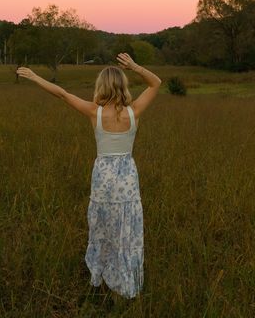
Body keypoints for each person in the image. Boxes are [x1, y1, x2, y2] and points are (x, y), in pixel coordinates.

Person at [16, 53, 162, 298]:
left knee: (103, 228)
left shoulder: (94, 112)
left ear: (101, 87)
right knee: (125, 229)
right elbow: (156, 82)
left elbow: (61, 93)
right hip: (127, 178)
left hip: (103, 178)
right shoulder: (134, 111)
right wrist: (135, 66)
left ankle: (104, 275)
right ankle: (124, 281)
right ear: (123, 86)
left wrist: (34, 76)